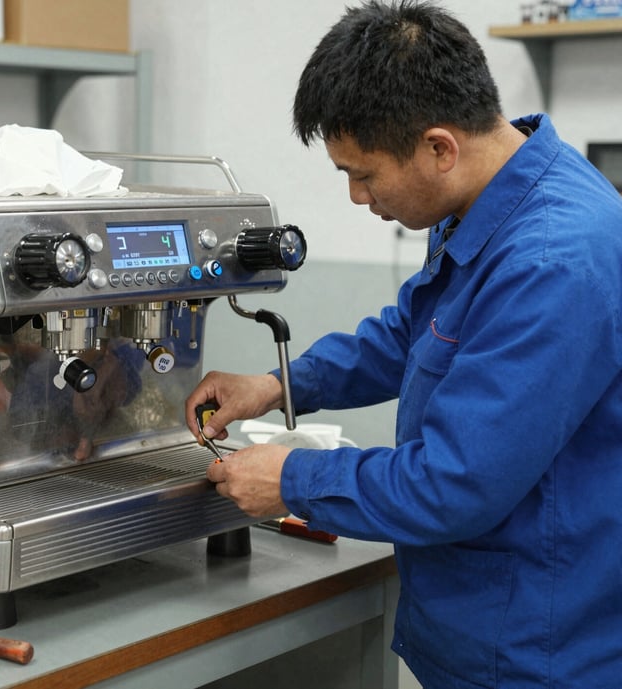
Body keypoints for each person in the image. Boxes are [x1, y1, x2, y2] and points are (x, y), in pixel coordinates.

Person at [184, 1, 622, 688]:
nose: (357, 197)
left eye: (363, 175)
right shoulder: (482, 198)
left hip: (536, 652)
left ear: (439, 148)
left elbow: (455, 482)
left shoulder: (550, 261)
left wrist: (291, 480)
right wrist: (277, 385)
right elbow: (414, 332)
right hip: (472, 620)